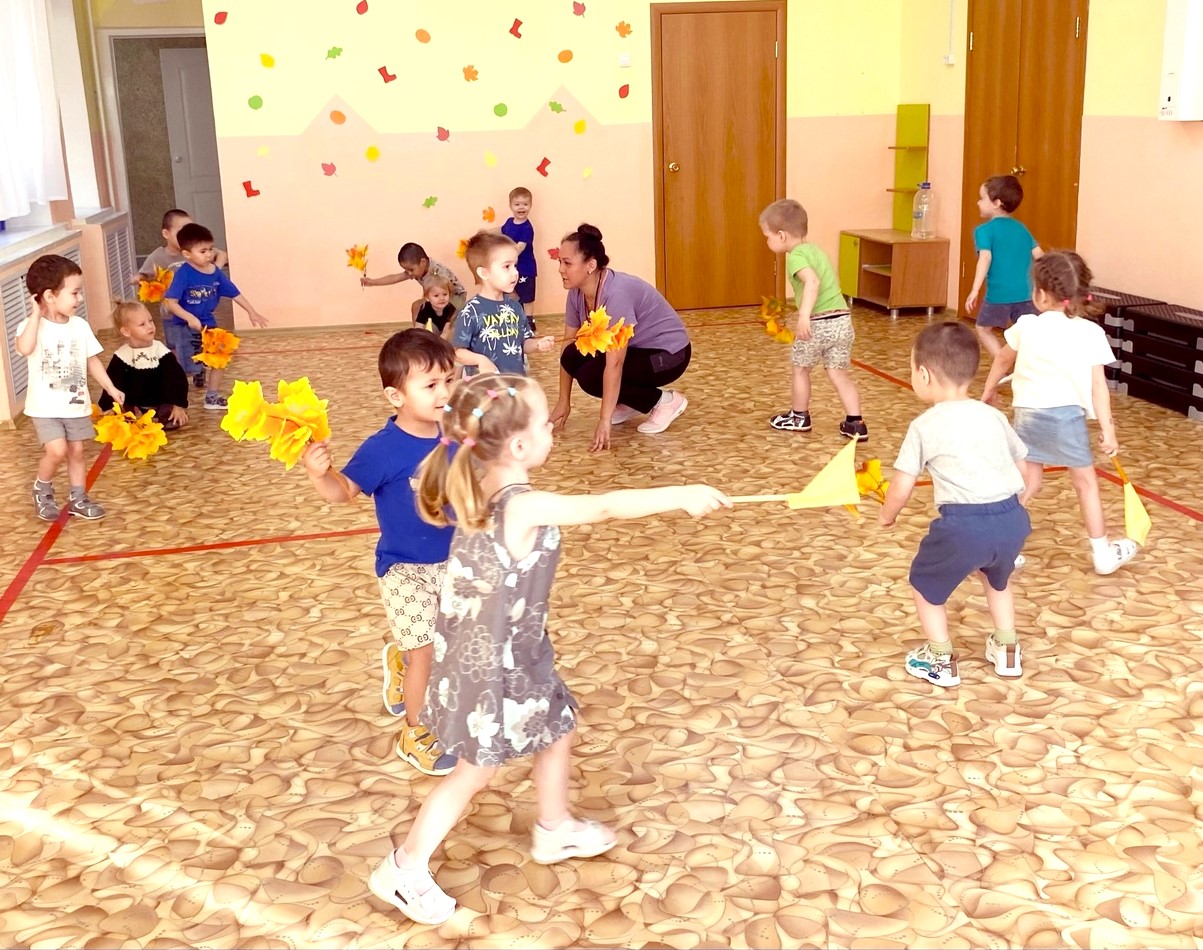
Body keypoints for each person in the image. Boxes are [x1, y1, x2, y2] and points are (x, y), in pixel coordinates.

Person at [366, 372, 731, 925]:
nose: (552, 430)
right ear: (518, 446)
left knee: (557, 728)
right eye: (543, 424)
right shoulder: (520, 505)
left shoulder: (477, 484)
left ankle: (555, 827)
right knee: (473, 771)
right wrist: (681, 495)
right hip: (491, 664)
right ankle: (403, 866)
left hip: (515, 651)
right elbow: (605, 507)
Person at [301, 330, 460, 776]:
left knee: (448, 646)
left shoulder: (458, 432)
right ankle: (415, 733)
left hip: (454, 562)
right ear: (395, 396)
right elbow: (344, 491)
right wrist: (319, 475)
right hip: (404, 570)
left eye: (449, 380)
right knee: (425, 652)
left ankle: (400, 657)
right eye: (431, 385)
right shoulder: (382, 449)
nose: (444, 393)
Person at [879, 322, 1031, 688]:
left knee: (924, 584)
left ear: (924, 375)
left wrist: (887, 515)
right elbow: (1023, 469)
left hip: (964, 525)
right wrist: (1011, 507)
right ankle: (1007, 650)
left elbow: (901, 486)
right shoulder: (993, 416)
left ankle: (940, 659)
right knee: (997, 579)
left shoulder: (924, 426)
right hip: (1012, 518)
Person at [982, 250, 1136, 576]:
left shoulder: (1026, 326)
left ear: (1040, 294)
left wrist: (989, 389)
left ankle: (998, 549)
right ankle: (1102, 553)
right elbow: (1098, 387)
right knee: (1086, 484)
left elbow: (1002, 359)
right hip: (1067, 420)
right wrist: (1108, 429)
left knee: (1028, 480)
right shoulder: (1090, 333)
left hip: (1028, 416)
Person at [551, 224, 692, 451]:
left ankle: (665, 401)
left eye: (567, 263)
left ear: (591, 266)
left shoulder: (616, 294)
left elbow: (615, 363)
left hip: (670, 355)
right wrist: (563, 401)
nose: (560, 269)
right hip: (638, 351)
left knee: (591, 376)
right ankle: (630, 401)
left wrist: (604, 419)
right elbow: (569, 345)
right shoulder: (576, 292)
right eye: (559, 262)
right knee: (571, 356)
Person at [16, 255, 124, 521]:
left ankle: (78, 498)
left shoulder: (79, 326)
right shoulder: (31, 327)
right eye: (74, 293)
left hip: (76, 404)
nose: (80, 298)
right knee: (57, 451)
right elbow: (25, 348)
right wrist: (35, 316)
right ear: (49, 296)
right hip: (44, 408)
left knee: (77, 451)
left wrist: (110, 387)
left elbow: (92, 360)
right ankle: (42, 489)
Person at [759, 199, 868, 442]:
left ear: (782, 235)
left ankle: (799, 417)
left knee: (801, 369)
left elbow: (813, 282)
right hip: (842, 321)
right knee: (839, 373)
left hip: (818, 322)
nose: (767, 242)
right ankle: (856, 423)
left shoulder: (796, 256)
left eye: (767, 237)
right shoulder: (816, 251)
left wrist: (804, 315)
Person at [162, 223, 269, 410]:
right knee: (187, 369)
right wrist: (189, 317)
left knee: (220, 357)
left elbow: (235, 293)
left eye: (210, 249)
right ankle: (174, 400)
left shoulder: (215, 273)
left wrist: (252, 312)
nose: (209, 254)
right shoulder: (184, 274)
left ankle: (211, 397)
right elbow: (171, 302)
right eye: (202, 251)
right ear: (187, 254)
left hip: (208, 323)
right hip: (185, 327)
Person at [131, 209, 229, 390]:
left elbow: (222, 254)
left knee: (198, 343)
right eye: (181, 230)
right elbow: (144, 273)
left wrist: (213, 270)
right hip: (171, 314)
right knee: (176, 347)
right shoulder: (158, 256)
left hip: (196, 313)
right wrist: (138, 278)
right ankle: (178, 377)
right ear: (166, 233)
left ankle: (198, 369)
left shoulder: (198, 249)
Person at [453, 230, 554, 377]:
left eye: (515, 266)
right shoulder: (471, 311)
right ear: (484, 273)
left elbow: (524, 343)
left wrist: (538, 344)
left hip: (515, 384)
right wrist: (481, 360)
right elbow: (458, 352)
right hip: (485, 387)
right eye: (507, 266)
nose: (515, 272)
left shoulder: (515, 307)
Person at [965, 175, 1045, 358]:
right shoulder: (1022, 229)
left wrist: (975, 290)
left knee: (983, 328)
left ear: (996, 203)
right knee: (1027, 333)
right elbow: (1040, 255)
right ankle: (1028, 364)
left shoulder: (983, 231)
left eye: (982, 198)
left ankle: (1003, 361)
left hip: (999, 294)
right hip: (1026, 292)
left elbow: (985, 258)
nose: (978, 203)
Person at [98, 301, 190, 430]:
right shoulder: (122, 355)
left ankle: (164, 414)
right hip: (135, 402)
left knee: (170, 416)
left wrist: (179, 405)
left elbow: (178, 380)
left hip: (162, 400)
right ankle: (136, 415)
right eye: (142, 324)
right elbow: (112, 382)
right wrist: (108, 406)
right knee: (125, 417)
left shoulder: (160, 351)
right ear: (126, 331)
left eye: (150, 321)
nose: (150, 326)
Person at [361, 242, 468, 321]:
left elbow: (449, 290)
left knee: (443, 315)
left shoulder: (438, 272)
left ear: (423, 262)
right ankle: (418, 334)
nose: (409, 273)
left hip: (454, 297)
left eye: (411, 270)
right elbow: (395, 278)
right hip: (437, 298)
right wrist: (372, 282)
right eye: (406, 270)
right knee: (417, 306)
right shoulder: (418, 270)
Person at [500, 186, 537, 331]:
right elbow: (501, 230)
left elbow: (519, 248)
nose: (521, 207)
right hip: (511, 269)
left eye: (525, 204)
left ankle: (529, 321)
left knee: (527, 296)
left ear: (530, 206)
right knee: (511, 293)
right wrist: (485, 233)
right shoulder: (509, 222)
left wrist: (503, 256)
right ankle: (515, 318)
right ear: (510, 206)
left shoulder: (527, 228)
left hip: (526, 269)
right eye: (517, 204)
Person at [413, 274, 457, 341]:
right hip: (438, 329)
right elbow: (418, 327)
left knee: (452, 331)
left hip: (450, 331)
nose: (442, 298)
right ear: (427, 297)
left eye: (445, 294)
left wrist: (438, 343)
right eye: (436, 296)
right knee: (428, 330)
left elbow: (446, 331)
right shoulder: (425, 307)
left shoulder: (450, 308)